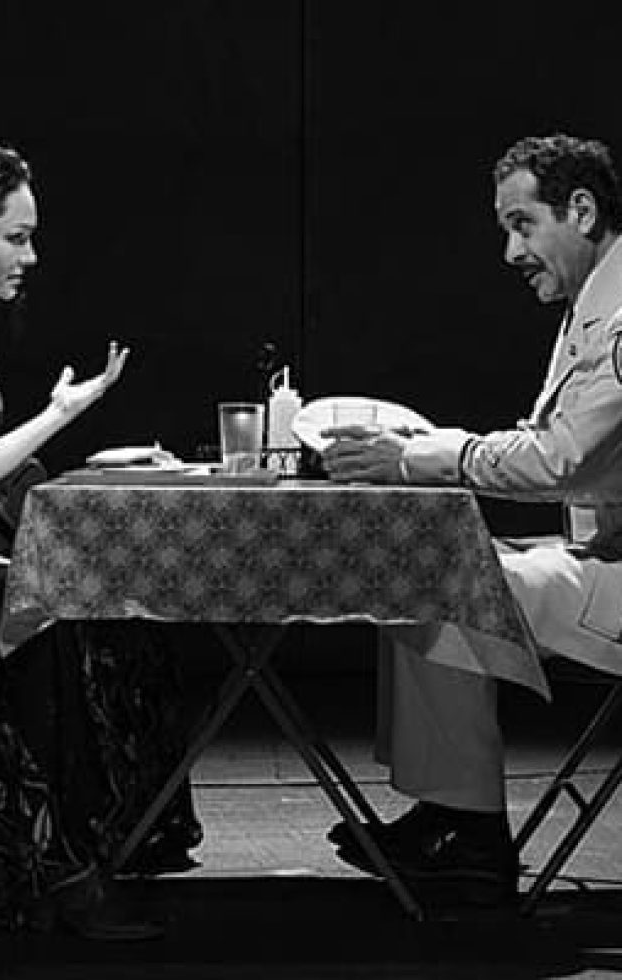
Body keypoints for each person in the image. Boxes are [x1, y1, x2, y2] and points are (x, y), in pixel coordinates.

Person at [320, 133, 622, 906]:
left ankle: (469, 835)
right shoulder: (595, 303)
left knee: (437, 582)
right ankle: (449, 816)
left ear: (580, 210)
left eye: (522, 224)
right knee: (427, 568)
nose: (510, 250)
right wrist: (428, 447)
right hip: (603, 554)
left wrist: (423, 456)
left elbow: (557, 460)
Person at [0, 135, 201, 936]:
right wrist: (61, 412)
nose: (31, 256)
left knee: (120, 615)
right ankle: (53, 876)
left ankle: (109, 839)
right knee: (26, 619)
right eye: (16, 237)